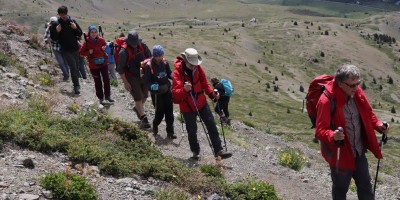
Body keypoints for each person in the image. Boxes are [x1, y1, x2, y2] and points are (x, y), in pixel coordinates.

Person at [315, 64, 389, 200]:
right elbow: (320, 130)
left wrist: (378, 125)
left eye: (358, 83)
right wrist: (333, 135)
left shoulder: (357, 93)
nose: (356, 87)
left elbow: (369, 114)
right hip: (340, 155)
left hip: (359, 152)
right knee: (340, 190)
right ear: (340, 83)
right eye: (352, 85)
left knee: (366, 188)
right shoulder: (326, 100)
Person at [172, 48, 232, 160]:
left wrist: (212, 93)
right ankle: (195, 152)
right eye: (192, 64)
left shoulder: (198, 68)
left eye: (195, 64)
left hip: (201, 102)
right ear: (186, 60)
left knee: (211, 125)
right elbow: (175, 93)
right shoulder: (177, 73)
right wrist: (184, 90)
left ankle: (218, 151)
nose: (194, 66)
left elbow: (205, 83)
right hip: (187, 106)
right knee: (192, 130)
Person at [116, 30, 152, 128]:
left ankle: (137, 109)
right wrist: (125, 82)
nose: (135, 45)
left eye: (136, 43)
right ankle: (144, 118)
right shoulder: (123, 52)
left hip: (143, 75)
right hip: (131, 76)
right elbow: (120, 69)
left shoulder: (142, 46)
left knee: (145, 95)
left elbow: (150, 58)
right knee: (138, 97)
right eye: (133, 44)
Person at [143, 45, 175, 139]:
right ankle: (155, 125)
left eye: (162, 55)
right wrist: (152, 86)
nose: (162, 57)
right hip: (157, 93)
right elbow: (147, 81)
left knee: (169, 112)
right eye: (160, 55)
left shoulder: (164, 63)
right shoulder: (149, 66)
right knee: (160, 113)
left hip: (167, 90)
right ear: (155, 56)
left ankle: (170, 132)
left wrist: (173, 76)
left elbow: (169, 73)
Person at [50, 5, 82, 94]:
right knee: (73, 66)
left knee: (76, 66)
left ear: (67, 13)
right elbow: (53, 38)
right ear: (58, 14)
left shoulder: (72, 22)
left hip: (75, 48)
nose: (64, 16)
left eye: (65, 14)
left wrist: (75, 28)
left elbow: (79, 33)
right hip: (65, 49)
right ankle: (76, 86)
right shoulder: (56, 24)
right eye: (61, 14)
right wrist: (57, 31)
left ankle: (76, 82)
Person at [79, 25, 114, 104]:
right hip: (93, 65)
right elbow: (81, 53)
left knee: (106, 79)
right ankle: (101, 98)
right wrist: (88, 52)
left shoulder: (101, 40)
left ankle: (108, 96)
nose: (94, 34)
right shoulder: (86, 43)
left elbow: (105, 45)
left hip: (103, 63)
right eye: (92, 32)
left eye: (95, 32)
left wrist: (104, 48)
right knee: (97, 81)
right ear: (89, 33)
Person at [44, 16, 69, 81]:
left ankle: (67, 75)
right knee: (61, 62)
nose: (53, 23)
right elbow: (46, 39)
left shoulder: (61, 27)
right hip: (55, 48)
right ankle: (66, 75)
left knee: (65, 62)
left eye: (54, 22)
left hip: (63, 47)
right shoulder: (48, 29)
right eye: (52, 22)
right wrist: (49, 40)